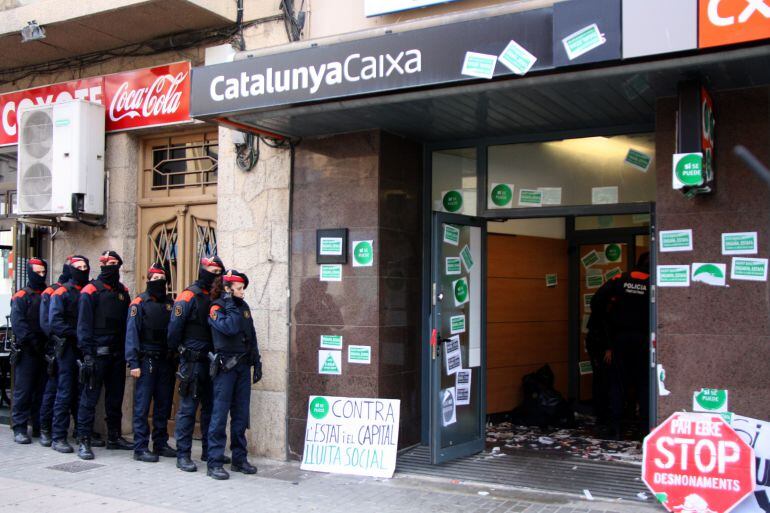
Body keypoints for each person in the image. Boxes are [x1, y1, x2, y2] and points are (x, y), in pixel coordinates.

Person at [168, 256, 225, 472]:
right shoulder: (188, 295)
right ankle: (183, 454)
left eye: (219, 271)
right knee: (188, 409)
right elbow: (174, 328)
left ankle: (209, 451)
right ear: (202, 269)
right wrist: (179, 352)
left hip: (212, 362)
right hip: (192, 361)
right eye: (212, 270)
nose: (215, 274)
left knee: (211, 408)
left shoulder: (219, 297)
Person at [75, 251, 132, 460]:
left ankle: (115, 437)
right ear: (102, 265)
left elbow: (127, 325)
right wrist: (87, 355)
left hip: (117, 355)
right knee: (89, 399)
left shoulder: (123, 292)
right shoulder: (90, 291)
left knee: (115, 398)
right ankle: (84, 439)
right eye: (108, 263)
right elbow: (83, 326)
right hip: (96, 355)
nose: (111, 267)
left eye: (115, 263)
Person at [206, 270, 261, 480]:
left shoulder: (243, 307)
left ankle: (239, 459)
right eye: (238, 288)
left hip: (242, 367)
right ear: (227, 289)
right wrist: (229, 305)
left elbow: (251, 334)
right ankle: (215, 462)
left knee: (240, 415)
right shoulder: (216, 308)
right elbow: (229, 328)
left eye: (243, 288)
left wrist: (257, 361)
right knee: (219, 415)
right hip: (225, 368)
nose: (242, 292)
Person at [125, 263, 177, 462]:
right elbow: (132, 334)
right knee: (142, 405)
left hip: (165, 361)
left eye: (162, 279)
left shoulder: (170, 304)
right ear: (148, 280)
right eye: (155, 279)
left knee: (163, 404)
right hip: (146, 360)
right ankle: (140, 447)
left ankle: (160, 443)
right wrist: (133, 363)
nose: (159, 282)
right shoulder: (139, 303)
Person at [601, 252, 651, 440]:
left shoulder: (619, 279)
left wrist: (607, 340)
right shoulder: (654, 282)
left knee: (617, 383)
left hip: (619, 339)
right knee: (644, 383)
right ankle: (646, 427)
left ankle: (615, 426)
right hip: (644, 340)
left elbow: (598, 302)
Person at [49, 255, 90, 453]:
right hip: (68, 348)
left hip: (86, 349)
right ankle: (58, 436)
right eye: (78, 267)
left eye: (85, 266)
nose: (82, 270)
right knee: (65, 392)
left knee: (84, 394)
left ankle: (82, 434)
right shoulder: (62, 292)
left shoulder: (90, 291)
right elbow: (55, 322)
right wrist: (77, 334)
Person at [10, 258, 48, 444]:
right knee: (23, 390)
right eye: (38, 272)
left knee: (42, 390)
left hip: (44, 348)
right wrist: (31, 341)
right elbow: (19, 323)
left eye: (43, 272)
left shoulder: (48, 293)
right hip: (27, 350)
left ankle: (39, 426)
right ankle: (19, 427)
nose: (41, 276)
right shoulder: (21, 296)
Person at [37, 259, 72, 447]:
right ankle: (46, 429)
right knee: (53, 390)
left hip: (72, 348)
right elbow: (46, 323)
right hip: (56, 347)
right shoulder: (52, 291)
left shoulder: (77, 290)